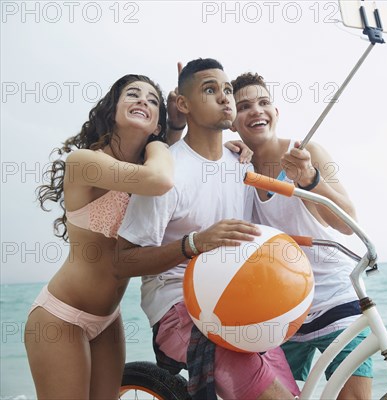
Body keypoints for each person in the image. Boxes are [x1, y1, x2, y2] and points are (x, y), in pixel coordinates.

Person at [114, 58, 300, 400]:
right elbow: (122, 260)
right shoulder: (167, 171)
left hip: (235, 298)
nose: (225, 98)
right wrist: (193, 243)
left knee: (290, 393)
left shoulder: (240, 165)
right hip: (177, 305)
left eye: (227, 90)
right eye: (210, 90)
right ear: (183, 104)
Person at [25, 74, 174, 399]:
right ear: (112, 109)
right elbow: (160, 179)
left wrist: (234, 147)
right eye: (132, 94)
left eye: (152, 101)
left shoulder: (147, 165)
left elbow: (174, 169)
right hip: (60, 317)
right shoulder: (85, 162)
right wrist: (162, 140)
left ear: (157, 123)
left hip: (108, 319)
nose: (142, 101)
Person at [230, 72, 373, 399]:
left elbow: (347, 222)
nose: (256, 111)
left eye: (264, 102)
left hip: (334, 300)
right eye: (244, 106)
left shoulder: (308, 152)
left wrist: (309, 178)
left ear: (276, 113)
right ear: (231, 122)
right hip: (280, 312)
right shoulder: (234, 167)